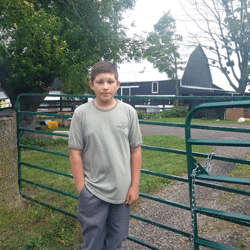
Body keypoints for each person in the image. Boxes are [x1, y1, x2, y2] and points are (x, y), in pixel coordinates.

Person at [68, 61, 142, 250]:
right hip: (92, 191)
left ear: (118, 84)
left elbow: (136, 150)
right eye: (100, 82)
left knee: (116, 242)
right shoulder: (81, 114)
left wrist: (134, 185)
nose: (105, 86)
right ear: (92, 84)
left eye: (110, 81)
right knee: (92, 242)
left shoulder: (128, 112)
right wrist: (81, 190)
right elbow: (75, 153)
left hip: (122, 192)